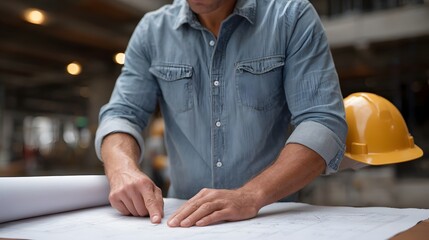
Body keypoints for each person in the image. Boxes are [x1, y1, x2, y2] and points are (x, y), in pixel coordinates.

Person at [95, 0, 347, 228]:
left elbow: (321, 123)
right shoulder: (152, 31)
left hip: (271, 219)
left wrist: (251, 195)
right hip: (185, 223)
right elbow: (122, 113)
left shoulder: (290, 17)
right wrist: (121, 169)